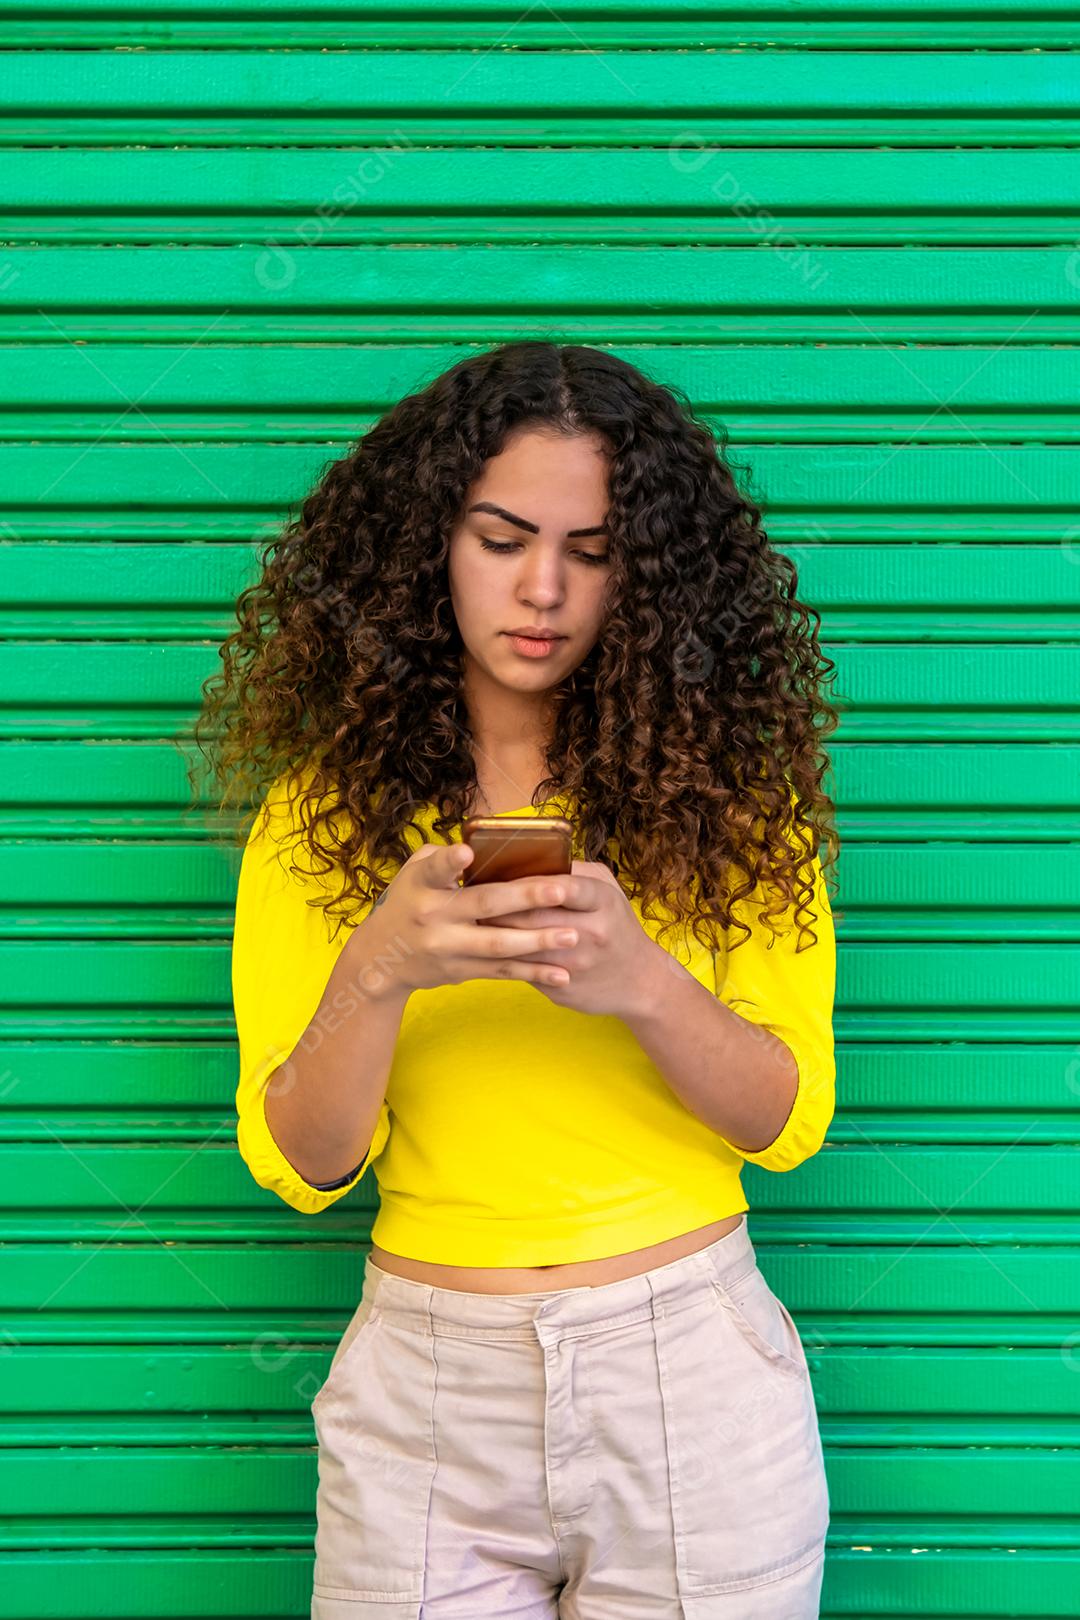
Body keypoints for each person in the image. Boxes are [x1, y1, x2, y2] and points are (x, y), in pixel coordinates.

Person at [192, 340, 842, 1619]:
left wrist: (641, 979)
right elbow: (307, 1163)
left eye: (593, 553)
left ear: (642, 579)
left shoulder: (727, 804)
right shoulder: (320, 819)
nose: (543, 588)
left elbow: (784, 1118)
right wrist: (377, 972)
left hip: (691, 1374)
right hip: (425, 1382)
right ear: (431, 545)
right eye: (501, 539)